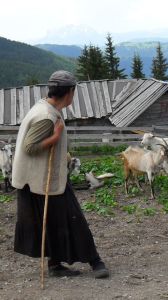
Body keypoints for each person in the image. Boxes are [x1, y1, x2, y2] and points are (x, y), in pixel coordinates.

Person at [12, 70, 110, 279]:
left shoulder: (46, 108)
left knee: (54, 222)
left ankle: (56, 264)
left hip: (42, 179)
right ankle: (95, 261)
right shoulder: (47, 117)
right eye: (74, 91)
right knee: (74, 219)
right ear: (69, 92)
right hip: (40, 181)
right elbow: (30, 147)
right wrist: (55, 137)